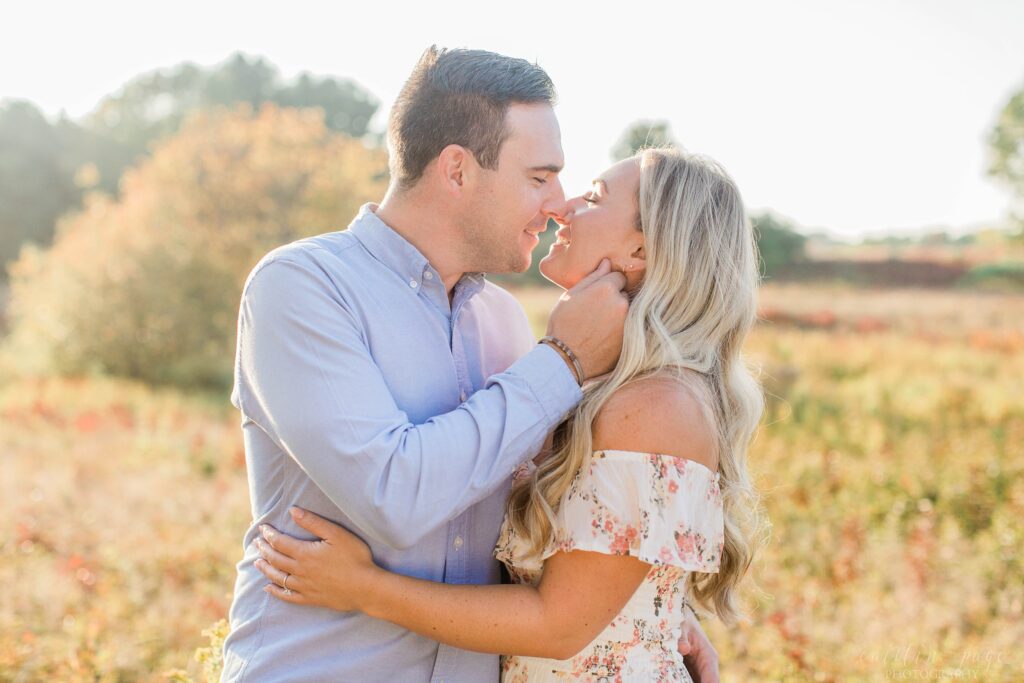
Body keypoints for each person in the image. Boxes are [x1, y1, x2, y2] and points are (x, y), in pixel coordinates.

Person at [220, 45, 719, 683]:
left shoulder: (507, 322)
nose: (558, 204)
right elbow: (394, 497)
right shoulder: (304, 287)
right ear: (457, 170)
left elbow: (547, 514)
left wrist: (644, 601)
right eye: (539, 177)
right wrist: (563, 361)